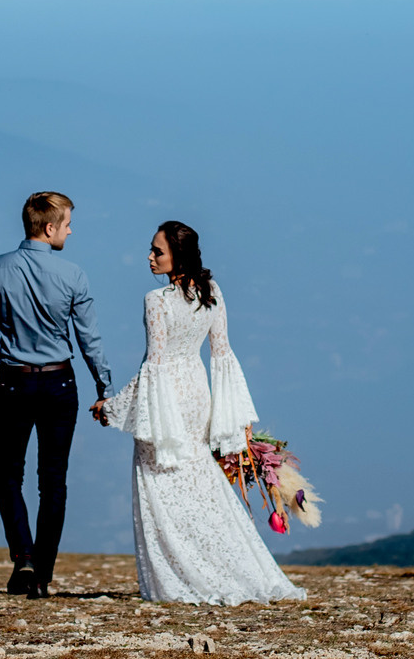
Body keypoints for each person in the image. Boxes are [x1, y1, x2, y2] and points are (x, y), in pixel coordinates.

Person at [97, 220, 305, 604]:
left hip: (167, 400)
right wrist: (234, 416)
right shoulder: (212, 293)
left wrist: (110, 407)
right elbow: (222, 355)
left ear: (178, 255)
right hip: (198, 393)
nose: (150, 257)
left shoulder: (155, 300)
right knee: (202, 486)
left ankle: (180, 575)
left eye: (157, 251)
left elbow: (154, 366)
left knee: (159, 486)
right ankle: (231, 564)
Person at [0, 190, 114, 599]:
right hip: (59, 383)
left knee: (7, 476)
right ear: (49, 228)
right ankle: (43, 573)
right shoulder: (73, 275)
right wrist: (106, 389)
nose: (70, 229)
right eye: (67, 223)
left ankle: (24, 558)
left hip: (12, 382)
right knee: (53, 481)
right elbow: (90, 340)